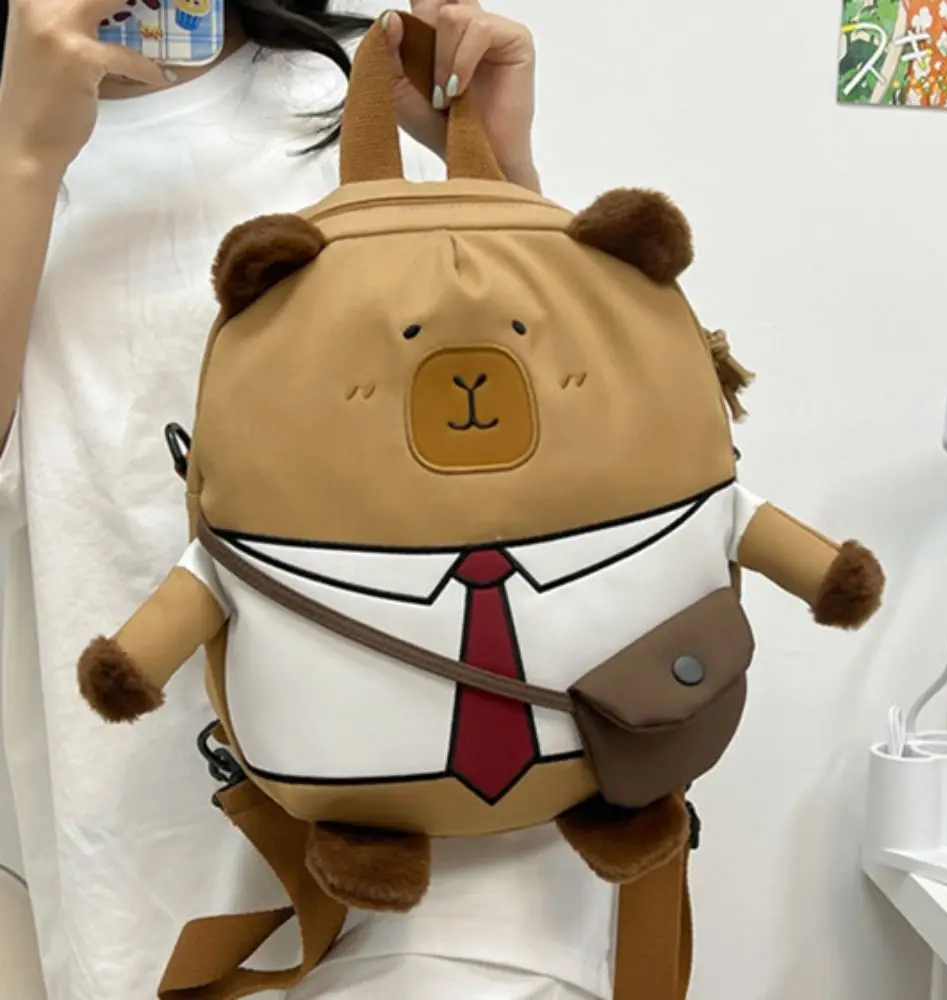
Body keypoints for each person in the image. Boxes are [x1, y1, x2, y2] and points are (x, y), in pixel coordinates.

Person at [0, 1, 615, 998]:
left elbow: (550, 444)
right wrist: (26, 156)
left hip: (466, 845)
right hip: (162, 873)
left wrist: (501, 178)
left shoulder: (352, 98)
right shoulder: (20, 137)